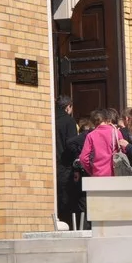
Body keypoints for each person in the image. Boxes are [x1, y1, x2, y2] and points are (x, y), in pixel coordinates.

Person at [79, 109, 129, 177]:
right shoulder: (116, 132)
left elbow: (83, 158)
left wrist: (91, 170)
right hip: (115, 173)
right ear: (107, 119)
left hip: (97, 174)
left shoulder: (91, 135)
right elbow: (124, 150)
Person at [54, 95, 78, 227]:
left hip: (52, 165)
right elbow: (72, 144)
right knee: (66, 199)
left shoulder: (50, 118)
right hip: (65, 165)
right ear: (68, 107)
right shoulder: (69, 121)